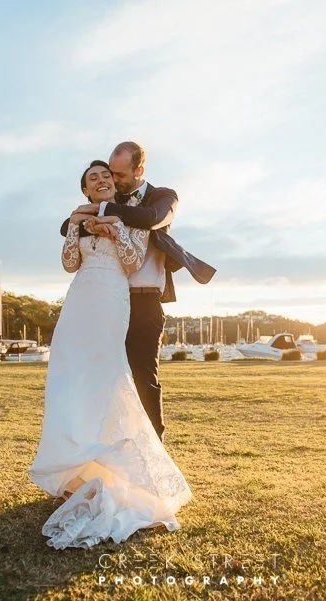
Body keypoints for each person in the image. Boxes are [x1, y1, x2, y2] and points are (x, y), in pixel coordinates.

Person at [29, 160, 191, 550]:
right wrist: (77, 226)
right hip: (79, 302)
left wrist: (115, 228)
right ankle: (75, 472)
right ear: (85, 189)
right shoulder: (79, 219)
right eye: (94, 178)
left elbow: (133, 262)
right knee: (71, 379)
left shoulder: (128, 218)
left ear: (115, 185)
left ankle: (120, 467)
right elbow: (69, 263)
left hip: (112, 300)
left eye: (106, 176)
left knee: (109, 377)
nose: (102, 180)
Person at [61, 141, 216, 441]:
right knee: (105, 375)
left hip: (145, 298)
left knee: (144, 375)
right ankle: (108, 443)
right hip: (107, 299)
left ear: (139, 170)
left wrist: (104, 212)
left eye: (119, 174)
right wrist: (94, 222)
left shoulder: (163, 197)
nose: (113, 180)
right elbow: (67, 225)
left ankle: (153, 446)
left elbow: (151, 219)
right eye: (110, 173)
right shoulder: (110, 199)